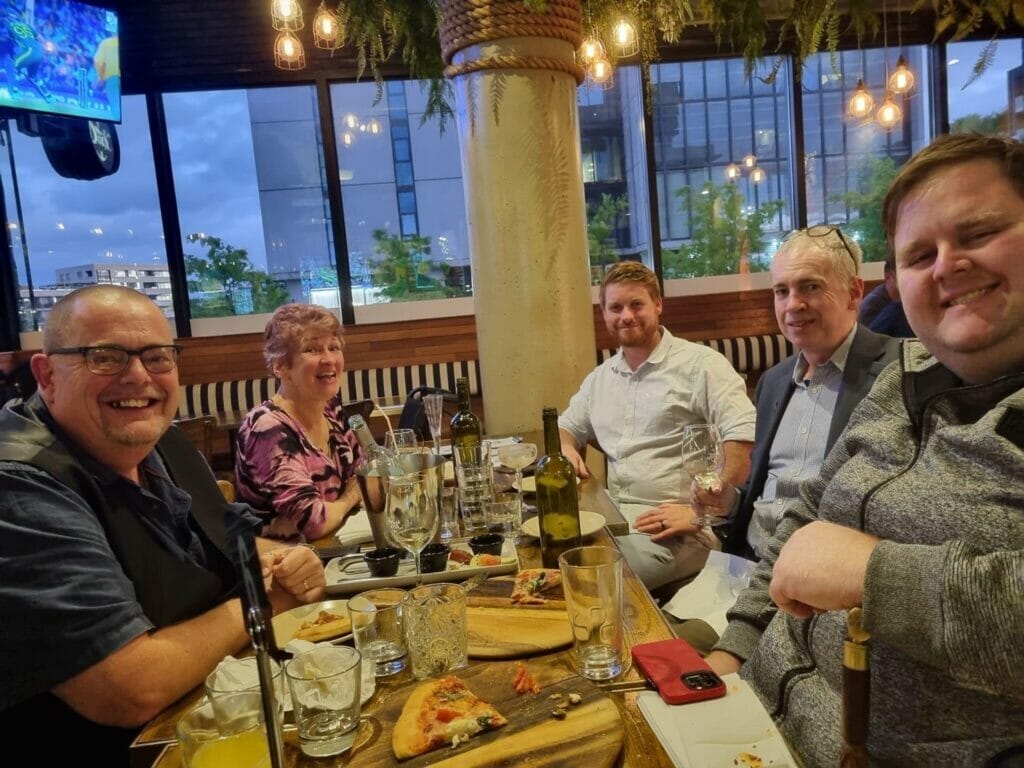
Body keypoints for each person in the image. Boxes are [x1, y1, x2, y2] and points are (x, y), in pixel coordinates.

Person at [705, 134, 1024, 765]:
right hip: (756, 718)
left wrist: (874, 575)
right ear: (896, 284)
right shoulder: (900, 378)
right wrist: (731, 651)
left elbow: (833, 557)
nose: (947, 265)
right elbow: (804, 522)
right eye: (920, 253)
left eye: (979, 232)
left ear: (855, 296)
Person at [0, 285, 326, 763]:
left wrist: (277, 558)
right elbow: (131, 685)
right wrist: (263, 601)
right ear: (47, 376)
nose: (138, 377)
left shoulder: (163, 444)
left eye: (157, 357)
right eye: (105, 357)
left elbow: (231, 535)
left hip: (221, 722)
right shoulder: (20, 488)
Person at [678, 225, 901, 560]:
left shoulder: (897, 372)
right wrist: (729, 502)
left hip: (825, 577)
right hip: (748, 565)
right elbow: (764, 498)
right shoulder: (773, 382)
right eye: (781, 291)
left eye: (810, 287)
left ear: (854, 292)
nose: (793, 304)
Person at [558, 261, 756, 590]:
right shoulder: (601, 379)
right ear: (604, 314)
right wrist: (566, 447)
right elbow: (566, 426)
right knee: (546, 555)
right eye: (615, 307)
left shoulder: (701, 365)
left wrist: (702, 513)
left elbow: (743, 437)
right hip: (613, 520)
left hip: (680, 530)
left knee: (591, 581)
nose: (626, 316)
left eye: (637, 304)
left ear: (658, 305)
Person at [235, 303, 364, 540]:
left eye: (334, 347)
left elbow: (370, 476)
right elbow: (314, 522)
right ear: (280, 366)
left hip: (337, 549)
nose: (328, 359)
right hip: (286, 566)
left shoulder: (330, 409)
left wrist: (342, 503)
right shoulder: (267, 428)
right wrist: (351, 497)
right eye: (312, 350)